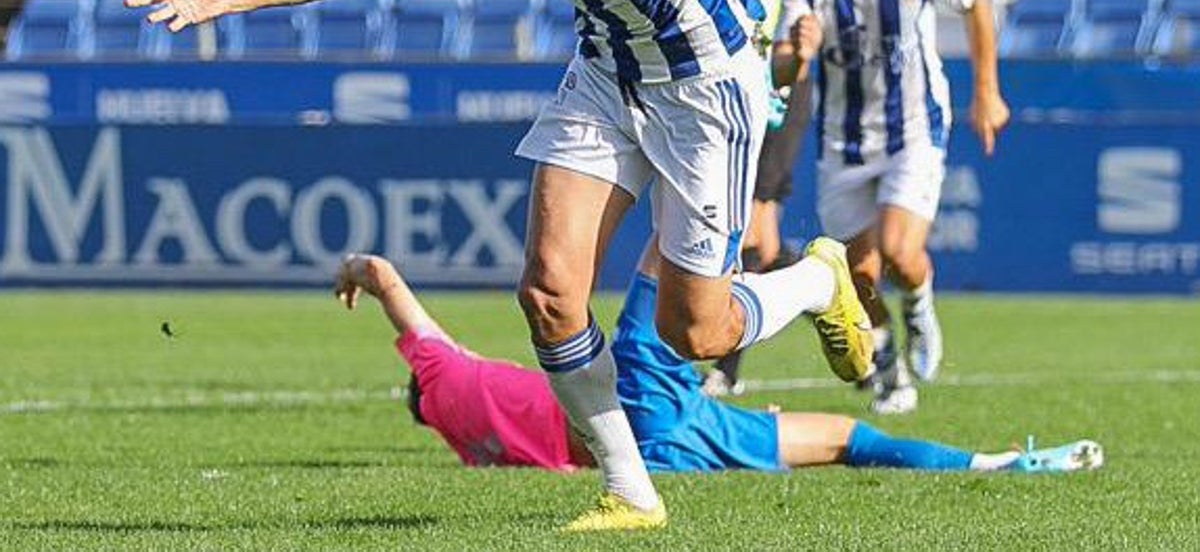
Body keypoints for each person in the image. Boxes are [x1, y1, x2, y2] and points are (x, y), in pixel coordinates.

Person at [125, 0, 1017, 530]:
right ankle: (632, 492)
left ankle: (817, 279)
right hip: (605, 70)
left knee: (698, 332)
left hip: (709, 80)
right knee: (550, 294)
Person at [334, 252, 1105, 478]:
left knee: (843, 440)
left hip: (664, 450)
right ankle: (810, 278)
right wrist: (357, 270)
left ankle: (1003, 466)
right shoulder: (443, 369)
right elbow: (384, 273)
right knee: (678, 245)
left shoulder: (471, 449)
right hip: (635, 392)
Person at [772, 0, 1010, 416]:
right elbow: (784, 65)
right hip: (844, 142)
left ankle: (920, 308)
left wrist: (987, 91)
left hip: (914, 130)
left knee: (901, 254)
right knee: (858, 276)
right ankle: (891, 373)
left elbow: (975, 3)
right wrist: (797, 54)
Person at [699, 0, 827, 399]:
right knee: (759, 242)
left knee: (750, 234)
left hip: (778, 83)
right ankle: (827, 287)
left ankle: (724, 367)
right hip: (709, 86)